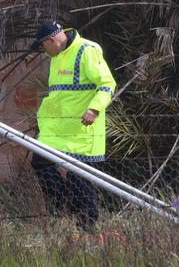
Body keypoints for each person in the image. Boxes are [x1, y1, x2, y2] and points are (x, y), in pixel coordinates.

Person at [30, 20, 116, 232]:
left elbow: (107, 84)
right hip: (55, 133)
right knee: (39, 162)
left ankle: (88, 229)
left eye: (43, 47)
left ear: (51, 40)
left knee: (81, 179)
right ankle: (64, 205)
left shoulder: (86, 50)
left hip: (82, 133)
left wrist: (94, 109)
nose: (43, 52)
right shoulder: (57, 56)